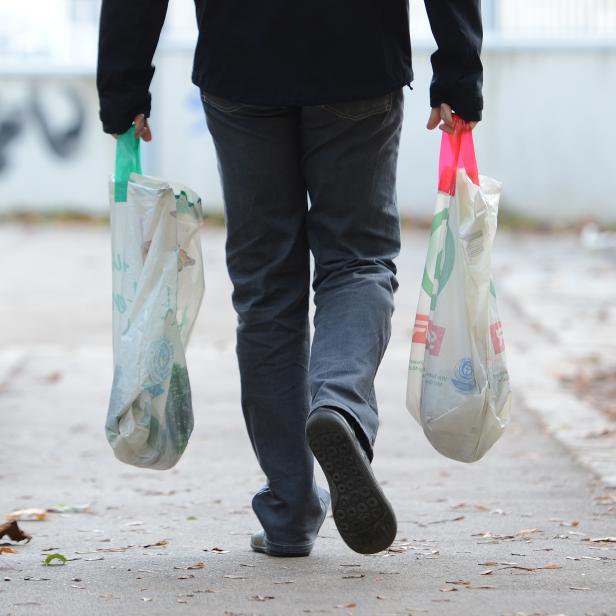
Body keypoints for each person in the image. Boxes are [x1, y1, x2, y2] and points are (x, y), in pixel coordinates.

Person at [97, 1, 483, 556]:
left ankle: (290, 506)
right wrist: (458, 71)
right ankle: (341, 407)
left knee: (266, 287)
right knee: (358, 262)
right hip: (359, 59)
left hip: (242, 66)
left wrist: (123, 84)